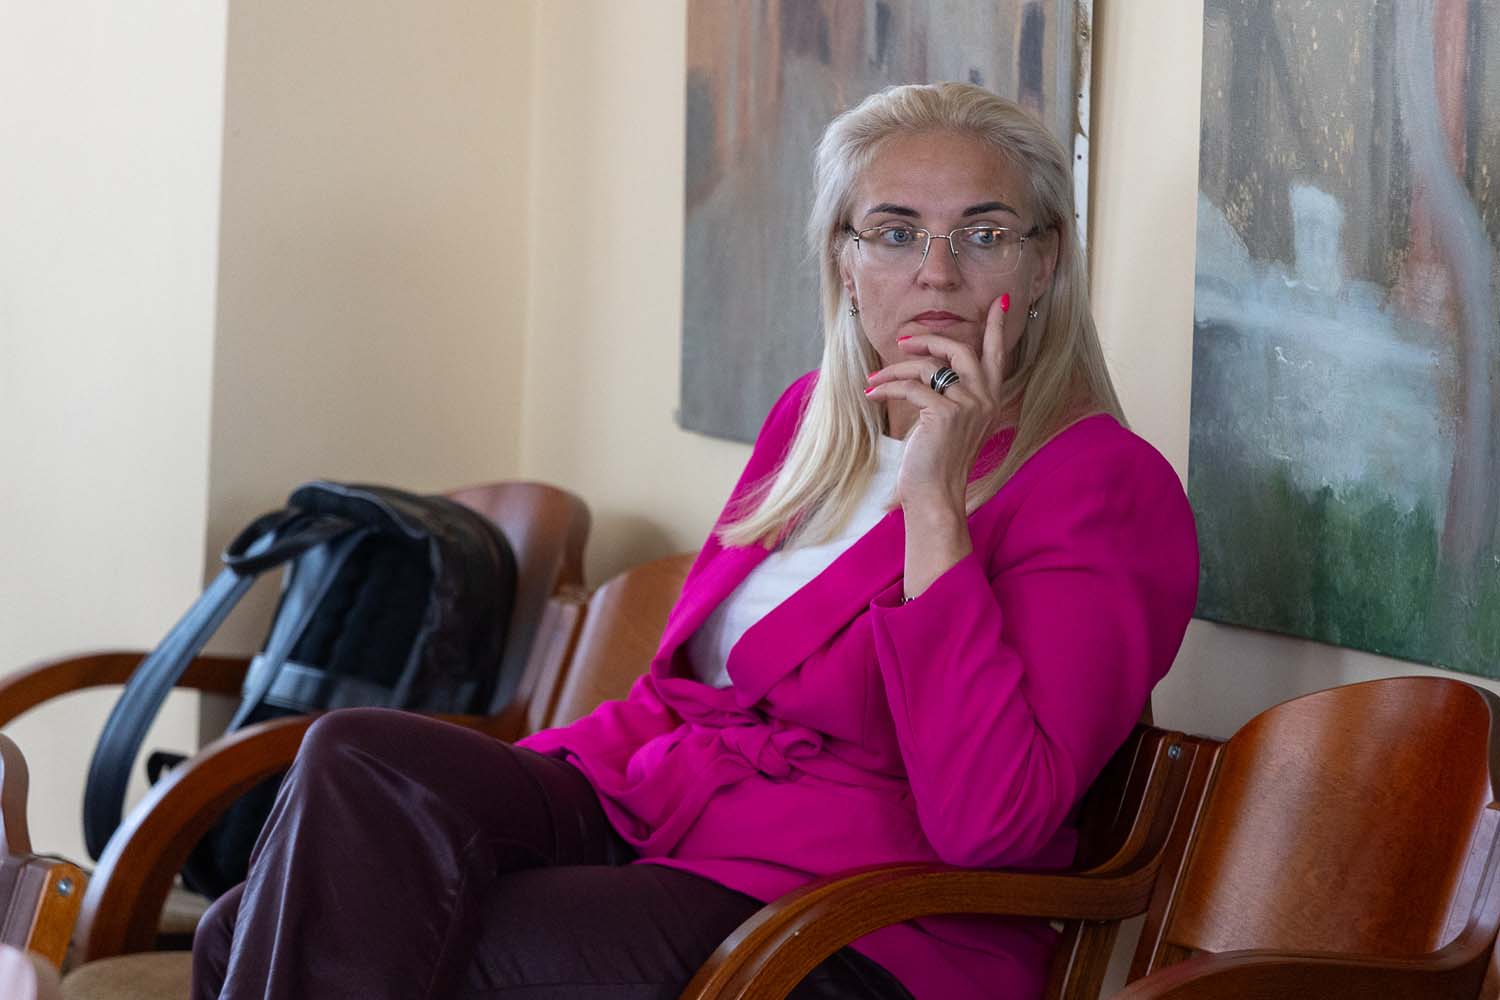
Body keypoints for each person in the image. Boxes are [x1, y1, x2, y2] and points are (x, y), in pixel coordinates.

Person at [191, 82, 1198, 1000]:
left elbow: (993, 820)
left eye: (983, 233)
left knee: (346, 937)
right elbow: (679, 696)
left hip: (850, 924)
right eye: (895, 232)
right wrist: (491, 806)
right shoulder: (812, 424)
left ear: (1043, 261)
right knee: (347, 778)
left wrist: (936, 502)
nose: (937, 271)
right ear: (845, 264)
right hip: (661, 820)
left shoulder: (1101, 485)